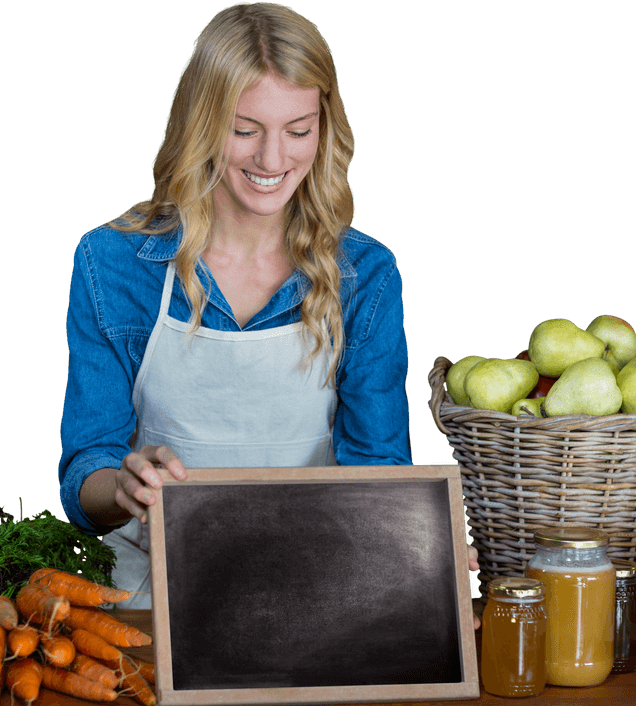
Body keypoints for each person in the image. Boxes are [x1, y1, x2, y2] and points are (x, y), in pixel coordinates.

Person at [58, 1, 480, 614]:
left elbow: (376, 469)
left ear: (324, 129)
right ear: (201, 124)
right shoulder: (114, 263)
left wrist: (418, 545)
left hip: (315, 601)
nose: (273, 160)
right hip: (150, 607)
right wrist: (122, 484)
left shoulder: (365, 274)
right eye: (244, 128)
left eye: (298, 130)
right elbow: (86, 467)